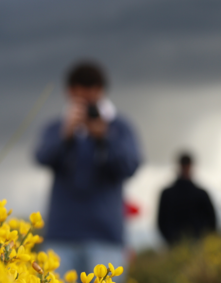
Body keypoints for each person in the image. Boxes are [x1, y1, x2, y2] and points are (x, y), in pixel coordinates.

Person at [34, 60, 141, 277]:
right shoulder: (57, 127)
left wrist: (104, 138)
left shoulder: (119, 127)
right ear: (69, 93)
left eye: (90, 99)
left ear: (100, 92)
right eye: (79, 99)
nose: (85, 105)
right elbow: (41, 157)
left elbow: (130, 165)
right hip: (61, 235)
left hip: (106, 237)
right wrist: (66, 135)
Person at [157, 152, 216, 246]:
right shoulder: (167, 194)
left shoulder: (201, 194)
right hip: (178, 246)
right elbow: (161, 222)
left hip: (196, 245)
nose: (185, 168)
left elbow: (212, 222)